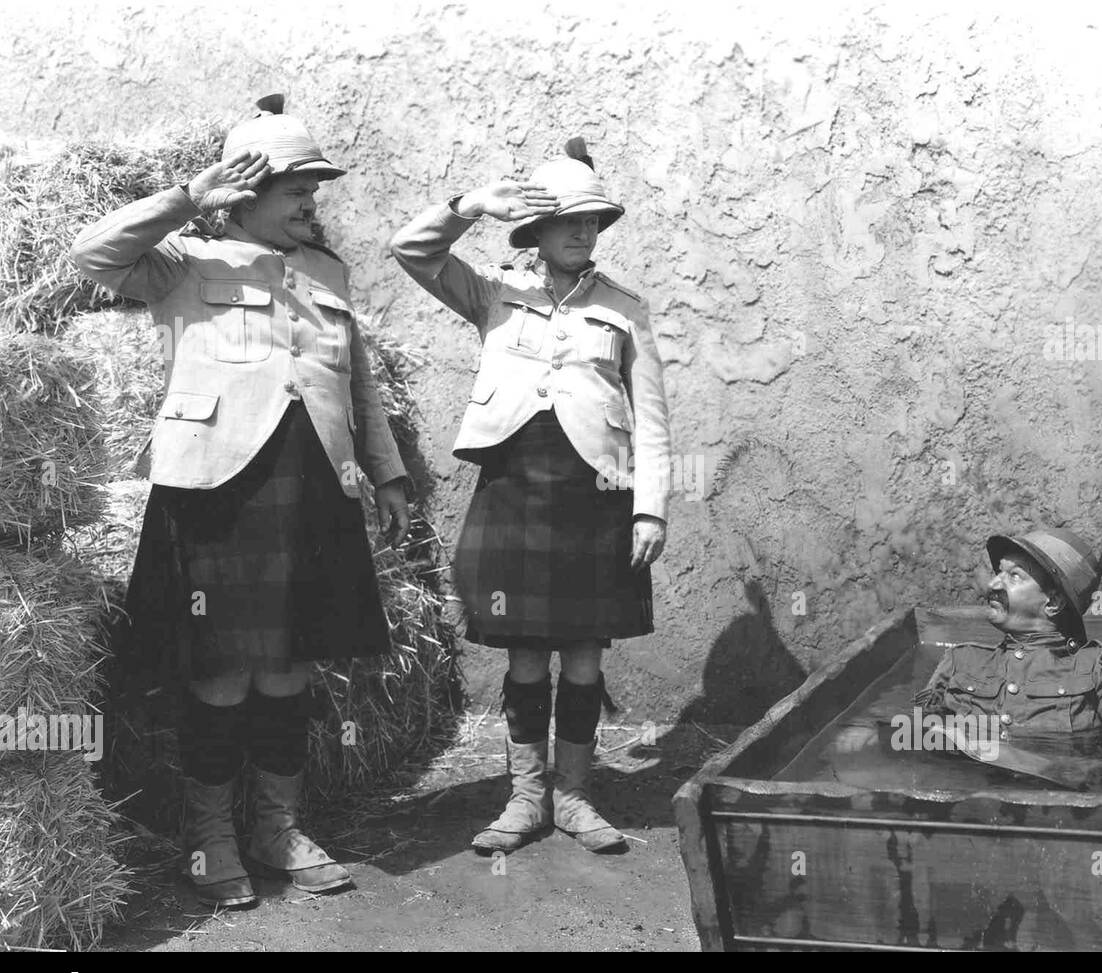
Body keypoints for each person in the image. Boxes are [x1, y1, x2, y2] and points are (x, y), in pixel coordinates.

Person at [71, 95, 410, 909]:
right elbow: (90, 255)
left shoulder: (329, 273)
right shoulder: (182, 260)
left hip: (312, 488)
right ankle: (212, 839)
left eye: (314, 190)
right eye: (297, 189)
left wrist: (387, 470)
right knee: (220, 673)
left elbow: (357, 380)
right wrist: (192, 195)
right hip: (218, 486)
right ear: (246, 194)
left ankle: (276, 829)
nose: (311, 203)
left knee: (289, 665)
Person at [389, 139, 671, 854]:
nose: (584, 232)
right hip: (514, 488)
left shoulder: (625, 309)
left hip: (596, 493)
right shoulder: (492, 292)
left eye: (594, 221)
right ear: (535, 232)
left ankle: (575, 798)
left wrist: (650, 507)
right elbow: (411, 251)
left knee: (582, 657)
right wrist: (470, 205)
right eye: (570, 221)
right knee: (522, 657)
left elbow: (656, 420)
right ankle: (525, 798)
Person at [913, 528, 1102, 748]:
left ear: (1054, 602)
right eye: (998, 572)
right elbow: (911, 739)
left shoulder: (1095, 665)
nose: (993, 583)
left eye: (1013, 575)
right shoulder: (959, 660)